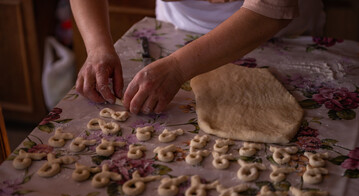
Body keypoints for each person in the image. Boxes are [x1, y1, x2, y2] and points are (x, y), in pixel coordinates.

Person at [69, 0, 324, 115]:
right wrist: (97, 48)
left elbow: (271, 9)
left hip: (272, 33)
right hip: (177, 27)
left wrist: (178, 67)